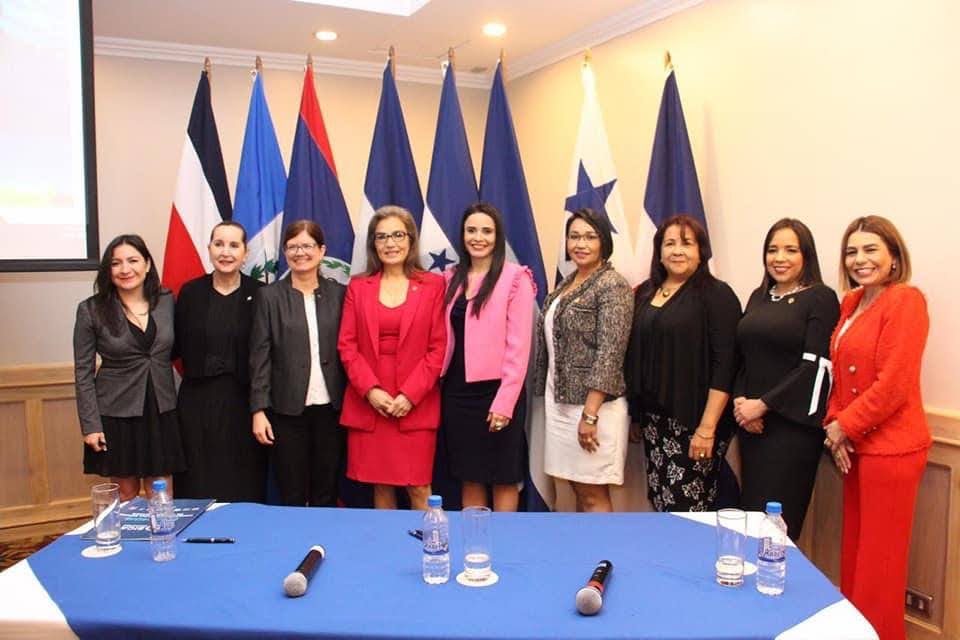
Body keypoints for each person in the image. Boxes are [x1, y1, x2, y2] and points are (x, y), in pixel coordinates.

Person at [824, 215, 929, 640]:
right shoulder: (851, 303)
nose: (860, 259)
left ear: (893, 256)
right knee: (855, 557)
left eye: (870, 250)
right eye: (852, 251)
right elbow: (839, 375)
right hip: (855, 446)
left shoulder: (905, 301)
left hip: (892, 450)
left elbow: (894, 384)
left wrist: (844, 426)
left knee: (879, 567)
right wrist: (836, 425)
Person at [626, 214, 741, 512]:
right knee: (662, 502)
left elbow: (725, 363)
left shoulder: (717, 294)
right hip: (655, 421)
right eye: (670, 244)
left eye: (687, 243)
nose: (677, 251)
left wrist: (707, 427)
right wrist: (637, 415)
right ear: (659, 252)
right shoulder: (647, 293)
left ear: (701, 251)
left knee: (688, 508)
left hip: (695, 423)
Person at [733, 218, 839, 539]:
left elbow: (815, 366)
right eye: (773, 250)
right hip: (751, 428)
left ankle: (772, 586)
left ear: (806, 254)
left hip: (791, 432)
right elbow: (743, 356)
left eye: (790, 250)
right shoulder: (758, 296)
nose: (780, 258)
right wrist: (741, 404)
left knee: (776, 529)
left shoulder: (820, 297)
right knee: (752, 521)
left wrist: (762, 405)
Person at [338, 206, 447, 510]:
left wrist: (410, 395)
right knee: (381, 486)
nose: (390, 243)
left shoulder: (433, 285)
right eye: (382, 237)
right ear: (373, 244)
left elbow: (438, 348)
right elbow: (347, 346)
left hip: (416, 402)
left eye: (398, 235)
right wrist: (371, 391)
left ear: (411, 240)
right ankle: (388, 556)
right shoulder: (358, 287)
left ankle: (428, 553)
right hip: (370, 402)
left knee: (419, 487)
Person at [534, 208, 633, 513]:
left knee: (592, 493)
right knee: (577, 487)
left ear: (603, 241)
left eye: (590, 236)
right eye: (574, 236)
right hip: (562, 402)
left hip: (594, 407)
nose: (581, 244)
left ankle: (603, 557)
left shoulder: (612, 285)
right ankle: (585, 554)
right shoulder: (568, 283)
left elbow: (610, 352)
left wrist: (590, 415)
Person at [73, 234, 185, 501]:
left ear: (147, 265)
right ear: (108, 270)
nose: (125, 269)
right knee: (126, 492)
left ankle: (163, 541)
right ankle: (130, 543)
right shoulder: (91, 310)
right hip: (117, 412)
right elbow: (83, 372)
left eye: (133, 260)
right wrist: (90, 425)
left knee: (162, 489)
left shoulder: (167, 300)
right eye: (116, 263)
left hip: (161, 408)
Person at [441, 203, 536, 512]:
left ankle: (505, 547)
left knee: (503, 475)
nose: (478, 237)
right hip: (457, 392)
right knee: (469, 474)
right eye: (471, 230)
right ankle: (475, 549)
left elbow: (519, 347)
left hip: (497, 392)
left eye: (486, 231)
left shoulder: (515, 278)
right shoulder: (450, 277)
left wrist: (505, 402)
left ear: (498, 237)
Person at [249, 220, 346, 507]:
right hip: (286, 410)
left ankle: (324, 546)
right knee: (291, 491)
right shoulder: (269, 296)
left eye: (307, 245)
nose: (300, 252)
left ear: (321, 250)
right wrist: (258, 409)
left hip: (332, 409)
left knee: (326, 490)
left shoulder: (340, 294)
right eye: (292, 246)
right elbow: (259, 356)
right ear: (284, 251)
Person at [173, 221, 266, 502]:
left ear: (245, 253)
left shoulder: (261, 293)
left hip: (244, 404)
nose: (226, 252)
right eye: (219, 244)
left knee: (243, 481)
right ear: (209, 249)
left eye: (234, 245)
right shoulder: (190, 293)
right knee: (197, 480)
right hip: (196, 403)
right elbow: (172, 344)